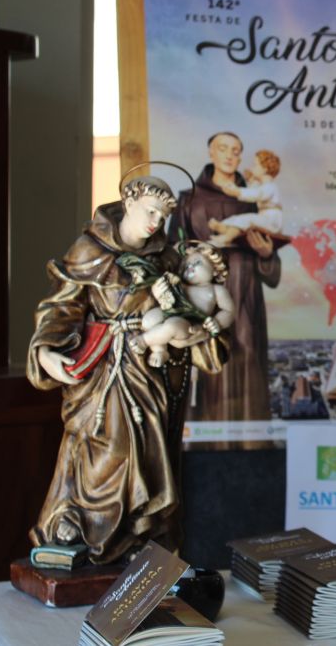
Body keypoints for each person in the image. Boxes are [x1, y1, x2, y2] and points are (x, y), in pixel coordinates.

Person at [26, 176, 228, 565]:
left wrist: (205, 330)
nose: (156, 221)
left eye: (164, 215)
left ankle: (141, 532)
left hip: (149, 372)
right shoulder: (89, 250)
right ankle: (80, 522)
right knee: (104, 447)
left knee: (151, 452)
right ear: (128, 202)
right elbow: (63, 307)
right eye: (150, 211)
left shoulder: (166, 259)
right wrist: (47, 350)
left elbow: (188, 312)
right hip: (101, 368)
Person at [169, 132, 281, 420]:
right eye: (224, 149)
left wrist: (266, 254)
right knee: (207, 369)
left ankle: (254, 447)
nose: (231, 155)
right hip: (203, 299)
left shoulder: (255, 201)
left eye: (237, 150)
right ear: (211, 152)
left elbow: (272, 268)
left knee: (248, 364)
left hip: (246, 295)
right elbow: (172, 255)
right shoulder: (188, 200)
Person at [133, 242, 235, 368]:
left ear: (215, 269)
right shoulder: (181, 284)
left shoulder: (216, 290)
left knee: (172, 325)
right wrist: (159, 291)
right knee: (149, 320)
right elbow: (165, 295)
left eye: (197, 263)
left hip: (190, 325)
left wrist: (217, 322)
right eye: (187, 265)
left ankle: (144, 341)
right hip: (169, 311)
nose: (190, 268)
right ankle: (160, 351)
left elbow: (229, 311)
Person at [208, 148, 284, 245]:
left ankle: (227, 236)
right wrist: (251, 180)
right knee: (242, 218)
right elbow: (253, 190)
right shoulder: (261, 185)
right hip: (265, 219)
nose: (252, 168)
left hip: (273, 222)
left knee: (247, 219)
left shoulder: (270, 186)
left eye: (255, 165)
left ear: (264, 169)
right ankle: (224, 227)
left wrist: (238, 192)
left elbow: (257, 194)